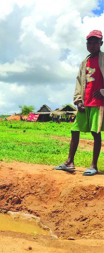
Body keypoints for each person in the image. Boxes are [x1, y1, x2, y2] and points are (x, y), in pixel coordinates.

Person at [54, 30, 104, 176]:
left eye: (96, 42)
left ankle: (94, 166)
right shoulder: (84, 62)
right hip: (85, 102)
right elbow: (78, 82)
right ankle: (70, 162)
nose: (92, 45)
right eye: (89, 42)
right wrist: (78, 100)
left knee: (96, 133)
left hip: (99, 103)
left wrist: (102, 91)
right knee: (75, 130)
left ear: (101, 43)